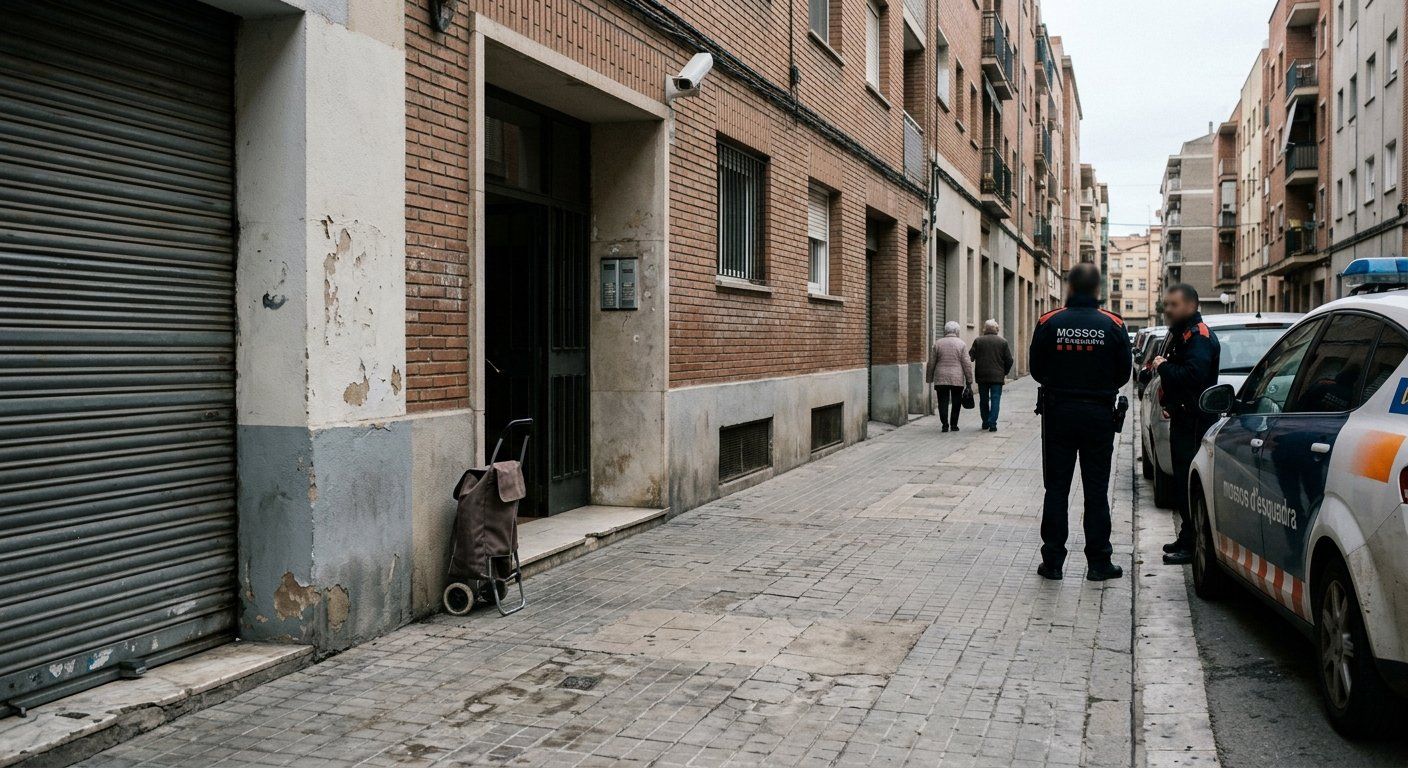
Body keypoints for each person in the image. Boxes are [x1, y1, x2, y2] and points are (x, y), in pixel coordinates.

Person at [1029, 263, 1132, 581]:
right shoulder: (1114, 324)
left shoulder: (1049, 321)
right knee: (1096, 491)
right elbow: (1124, 373)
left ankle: (1054, 563)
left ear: (1070, 289)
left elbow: (1035, 368)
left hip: (1059, 413)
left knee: (1056, 489)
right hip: (1099, 414)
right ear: (1098, 291)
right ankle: (1099, 563)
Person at [1151, 284, 1220, 566]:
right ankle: (1186, 535)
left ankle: (1192, 542)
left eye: (1173, 305)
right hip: (1182, 417)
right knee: (1181, 483)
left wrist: (1163, 366)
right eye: (1165, 304)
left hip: (1195, 423)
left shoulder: (1199, 336)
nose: (1167, 309)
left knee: (1189, 484)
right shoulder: (1183, 334)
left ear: (1191, 305)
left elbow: (1193, 375)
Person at [926, 321, 975, 432]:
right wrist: (969, 380)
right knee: (956, 402)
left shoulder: (938, 343)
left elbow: (932, 362)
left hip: (940, 378)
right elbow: (966, 363)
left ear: (945, 331)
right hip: (956, 378)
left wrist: (929, 377)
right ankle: (954, 425)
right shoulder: (961, 344)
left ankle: (944, 425)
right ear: (957, 331)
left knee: (942, 401)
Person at [970, 319, 1014, 432]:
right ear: (997, 329)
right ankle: (992, 423)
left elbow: (971, 356)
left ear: (985, 329)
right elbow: (1009, 360)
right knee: (995, 400)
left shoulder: (978, 341)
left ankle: (985, 422)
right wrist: (1004, 372)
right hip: (997, 377)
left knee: (983, 400)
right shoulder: (1003, 342)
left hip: (982, 376)